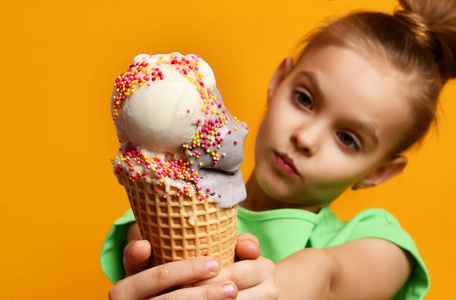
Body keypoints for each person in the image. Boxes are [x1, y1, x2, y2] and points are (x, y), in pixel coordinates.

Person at [101, 0, 456, 298]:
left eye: (347, 138)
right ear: (278, 82)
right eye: (304, 99)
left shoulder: (380, 246)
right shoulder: (156, 210)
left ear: (379, 171)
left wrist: (265, 288)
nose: (305, 138)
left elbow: (324, 276)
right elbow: (143, 243)